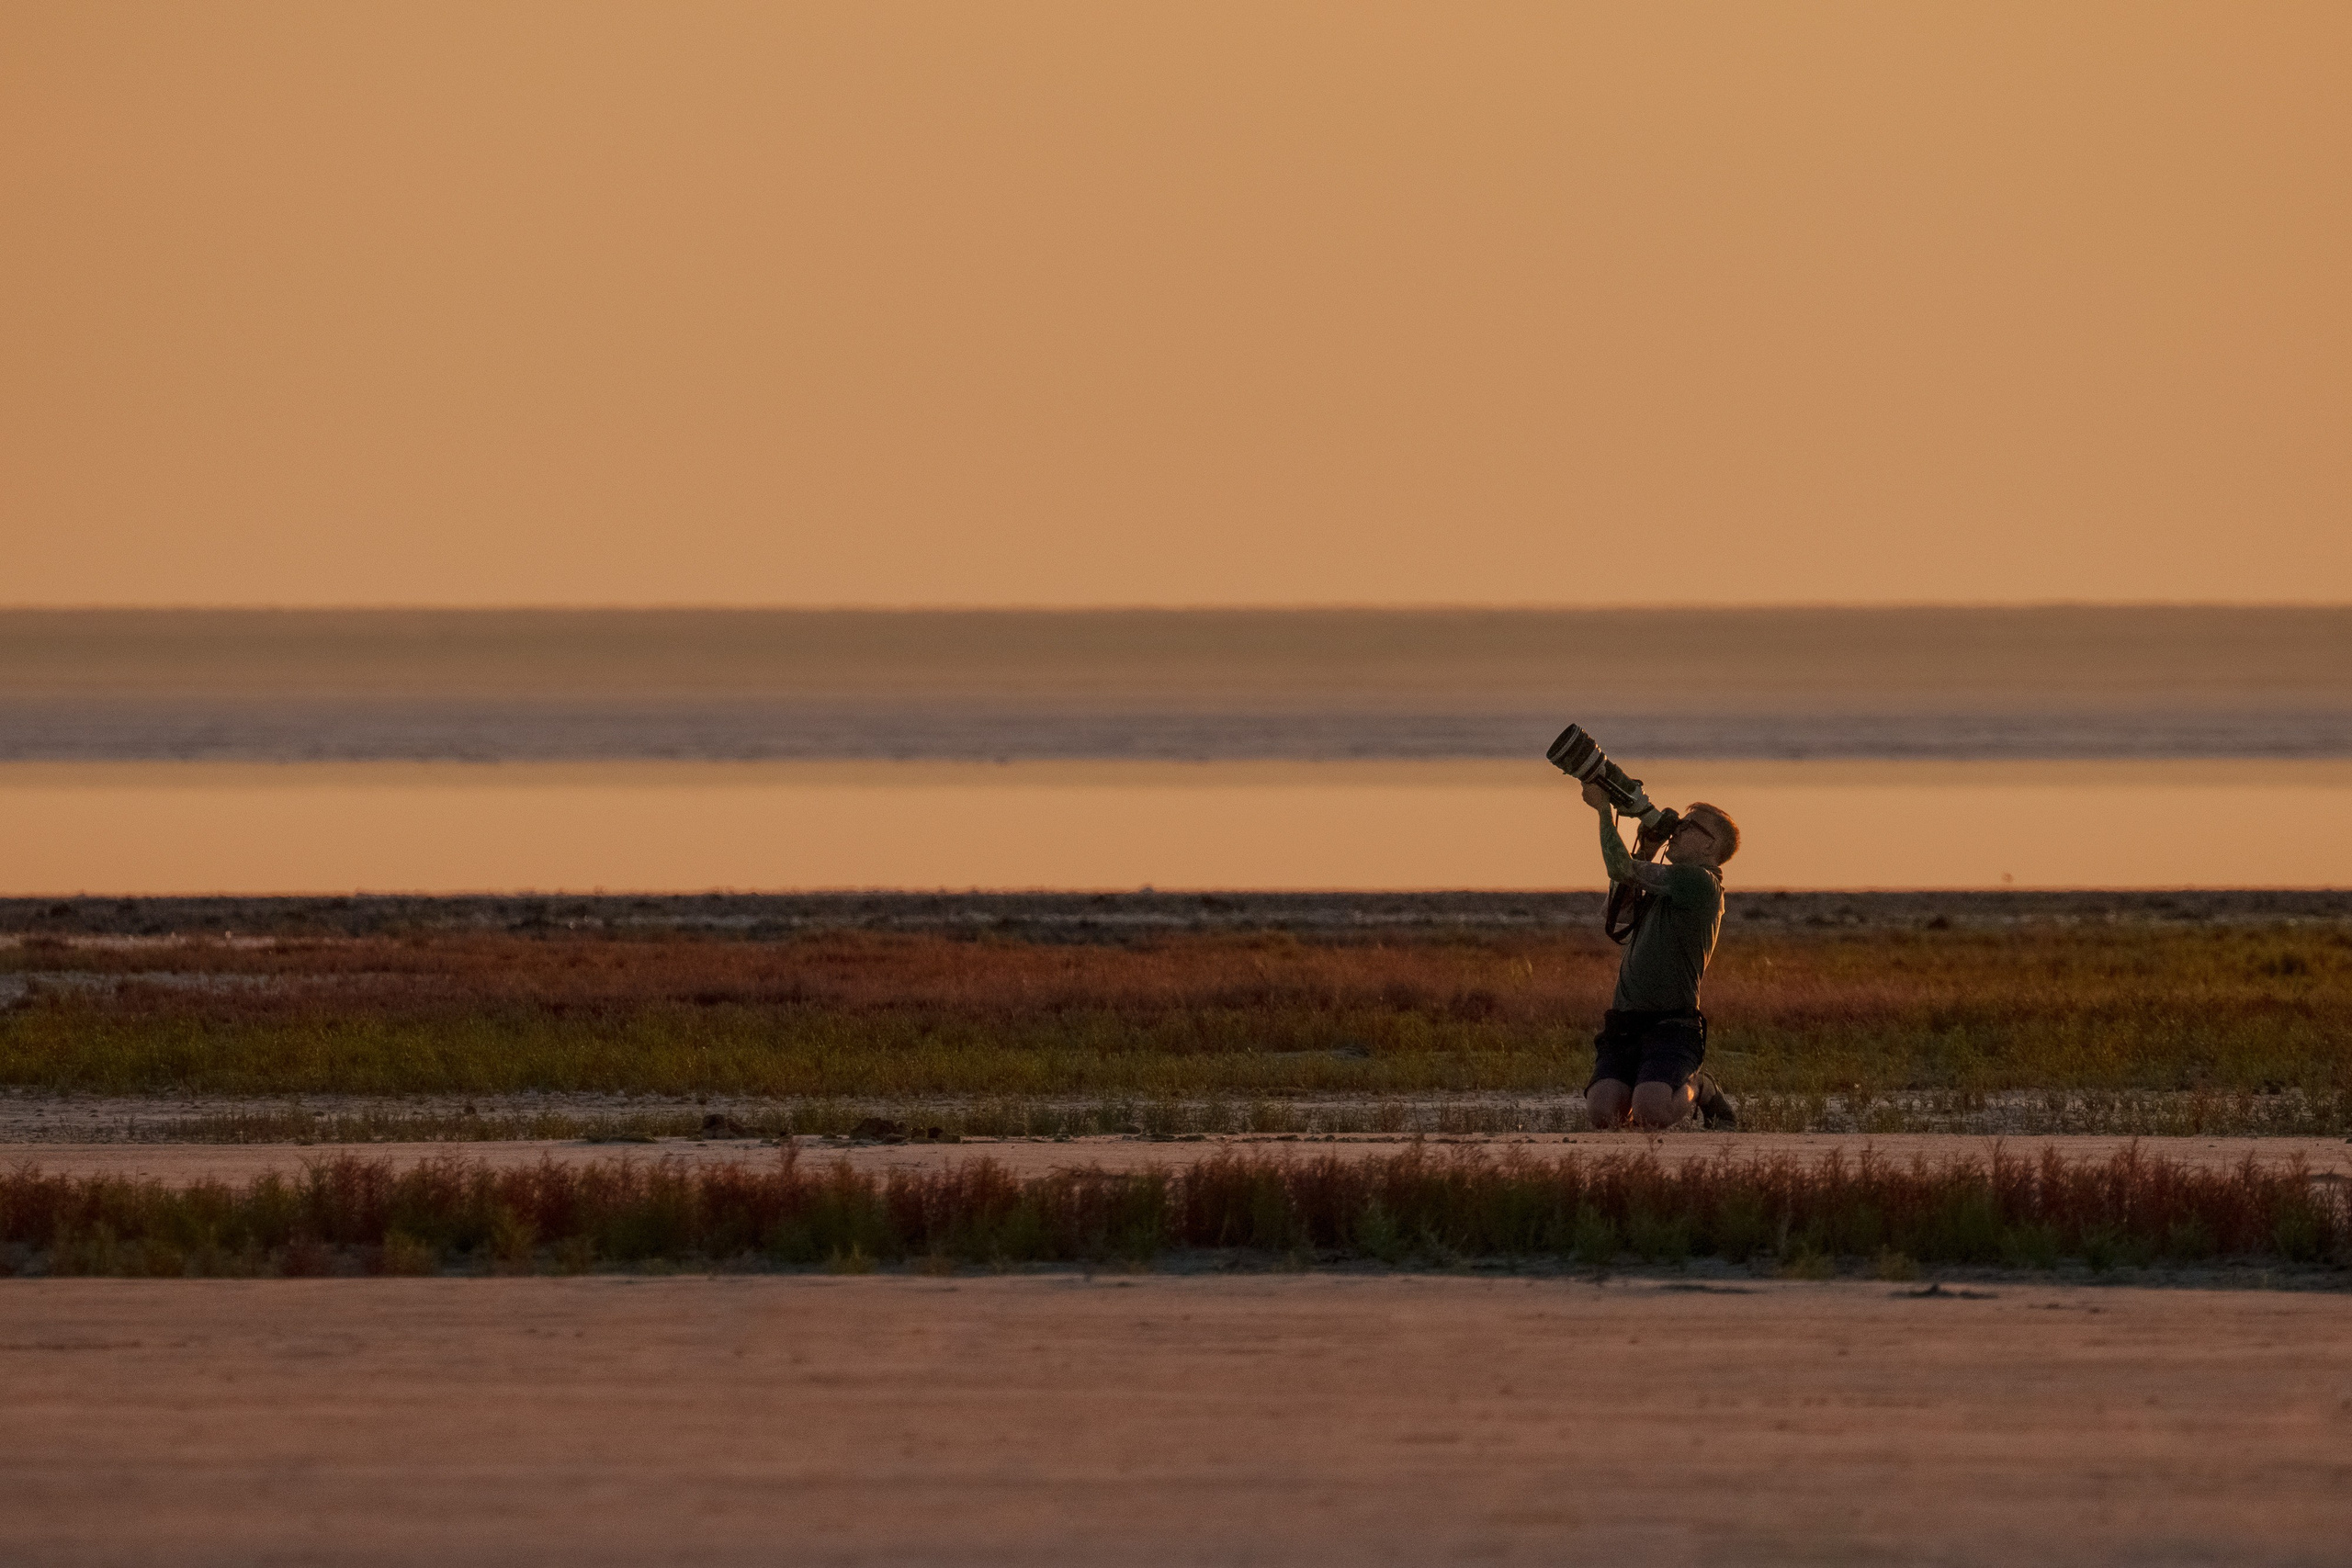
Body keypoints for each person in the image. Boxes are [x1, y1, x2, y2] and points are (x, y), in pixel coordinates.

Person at [1578, 777, 1740, 1130]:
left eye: (1689, 826)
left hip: (1672, 1024)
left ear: (1711, 847)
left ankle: (1701, 1087)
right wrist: (1646, 849)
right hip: (1626, 1021)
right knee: (1603, 1116)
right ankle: (1646, 1083)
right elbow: (1617, 913)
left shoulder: (1701, 883)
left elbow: (1620, 868)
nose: (1677, 830)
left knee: (1651, 1114)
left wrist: (1604, 811)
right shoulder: (1665, 884)